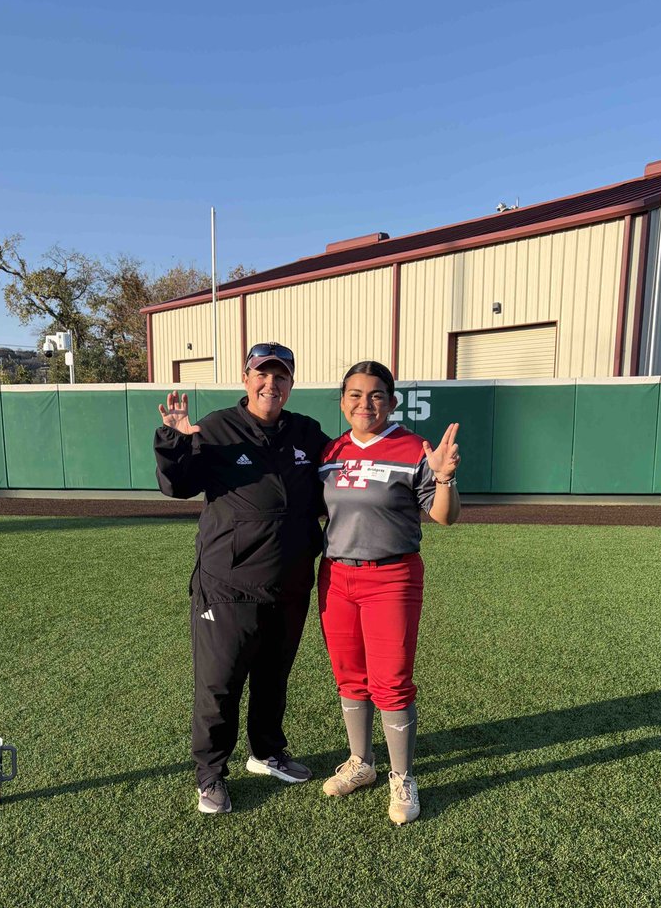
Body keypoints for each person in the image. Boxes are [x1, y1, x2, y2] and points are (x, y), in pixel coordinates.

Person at [154, 343, 328, 815]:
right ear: (246, 378)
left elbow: (335, 481)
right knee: (220, 685)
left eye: (281, 376)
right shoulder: (216, 428)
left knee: (274, 678)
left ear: (291, 383)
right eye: (262, 375)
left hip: (290, 584)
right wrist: (173, 441)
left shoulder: (308, 433)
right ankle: (210, 773)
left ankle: (267, 752)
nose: (271, 384)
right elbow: (177, 486)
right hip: (226, 586)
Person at [317, 360, 460, 825]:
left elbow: (444, 516)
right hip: (336, 576)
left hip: (391, 577)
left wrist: (443, 478)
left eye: (376, 394)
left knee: (391, 681)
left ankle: (402, 776)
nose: (365, 403)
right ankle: (362, 762)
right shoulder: (331, 450)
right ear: (342, 402)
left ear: (392, 401)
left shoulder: (411, 448)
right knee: (348, 675)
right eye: (355, 395)